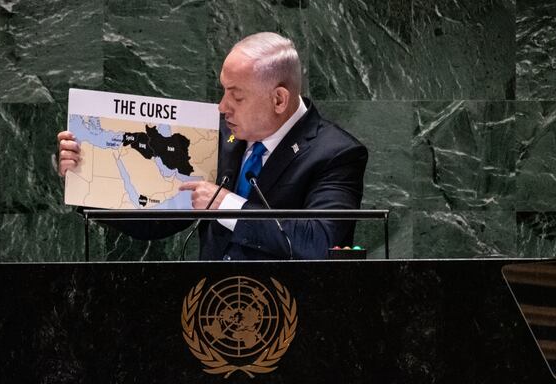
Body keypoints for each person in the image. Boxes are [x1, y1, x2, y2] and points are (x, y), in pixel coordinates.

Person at [57, 32, 368, 259]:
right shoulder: (219, 135)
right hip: (208, 308)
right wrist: (88, 179)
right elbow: (157, 219)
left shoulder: (336, 154)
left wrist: (227, 205)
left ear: (278, 99)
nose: (222, 107)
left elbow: (319, 242)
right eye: (223, 91)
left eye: (237, 95)